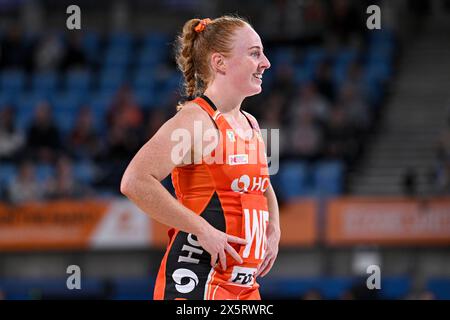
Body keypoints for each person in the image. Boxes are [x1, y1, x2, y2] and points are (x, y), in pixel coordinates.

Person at [121, 16, 280, 300]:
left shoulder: (252, 123)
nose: (266, 62)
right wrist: (203, 229)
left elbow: (263, 186)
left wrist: (274, 230)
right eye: (255, 53)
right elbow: (135, 181)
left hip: (244, 286)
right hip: (198, 279)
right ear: (220, 62)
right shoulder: (197, 120)